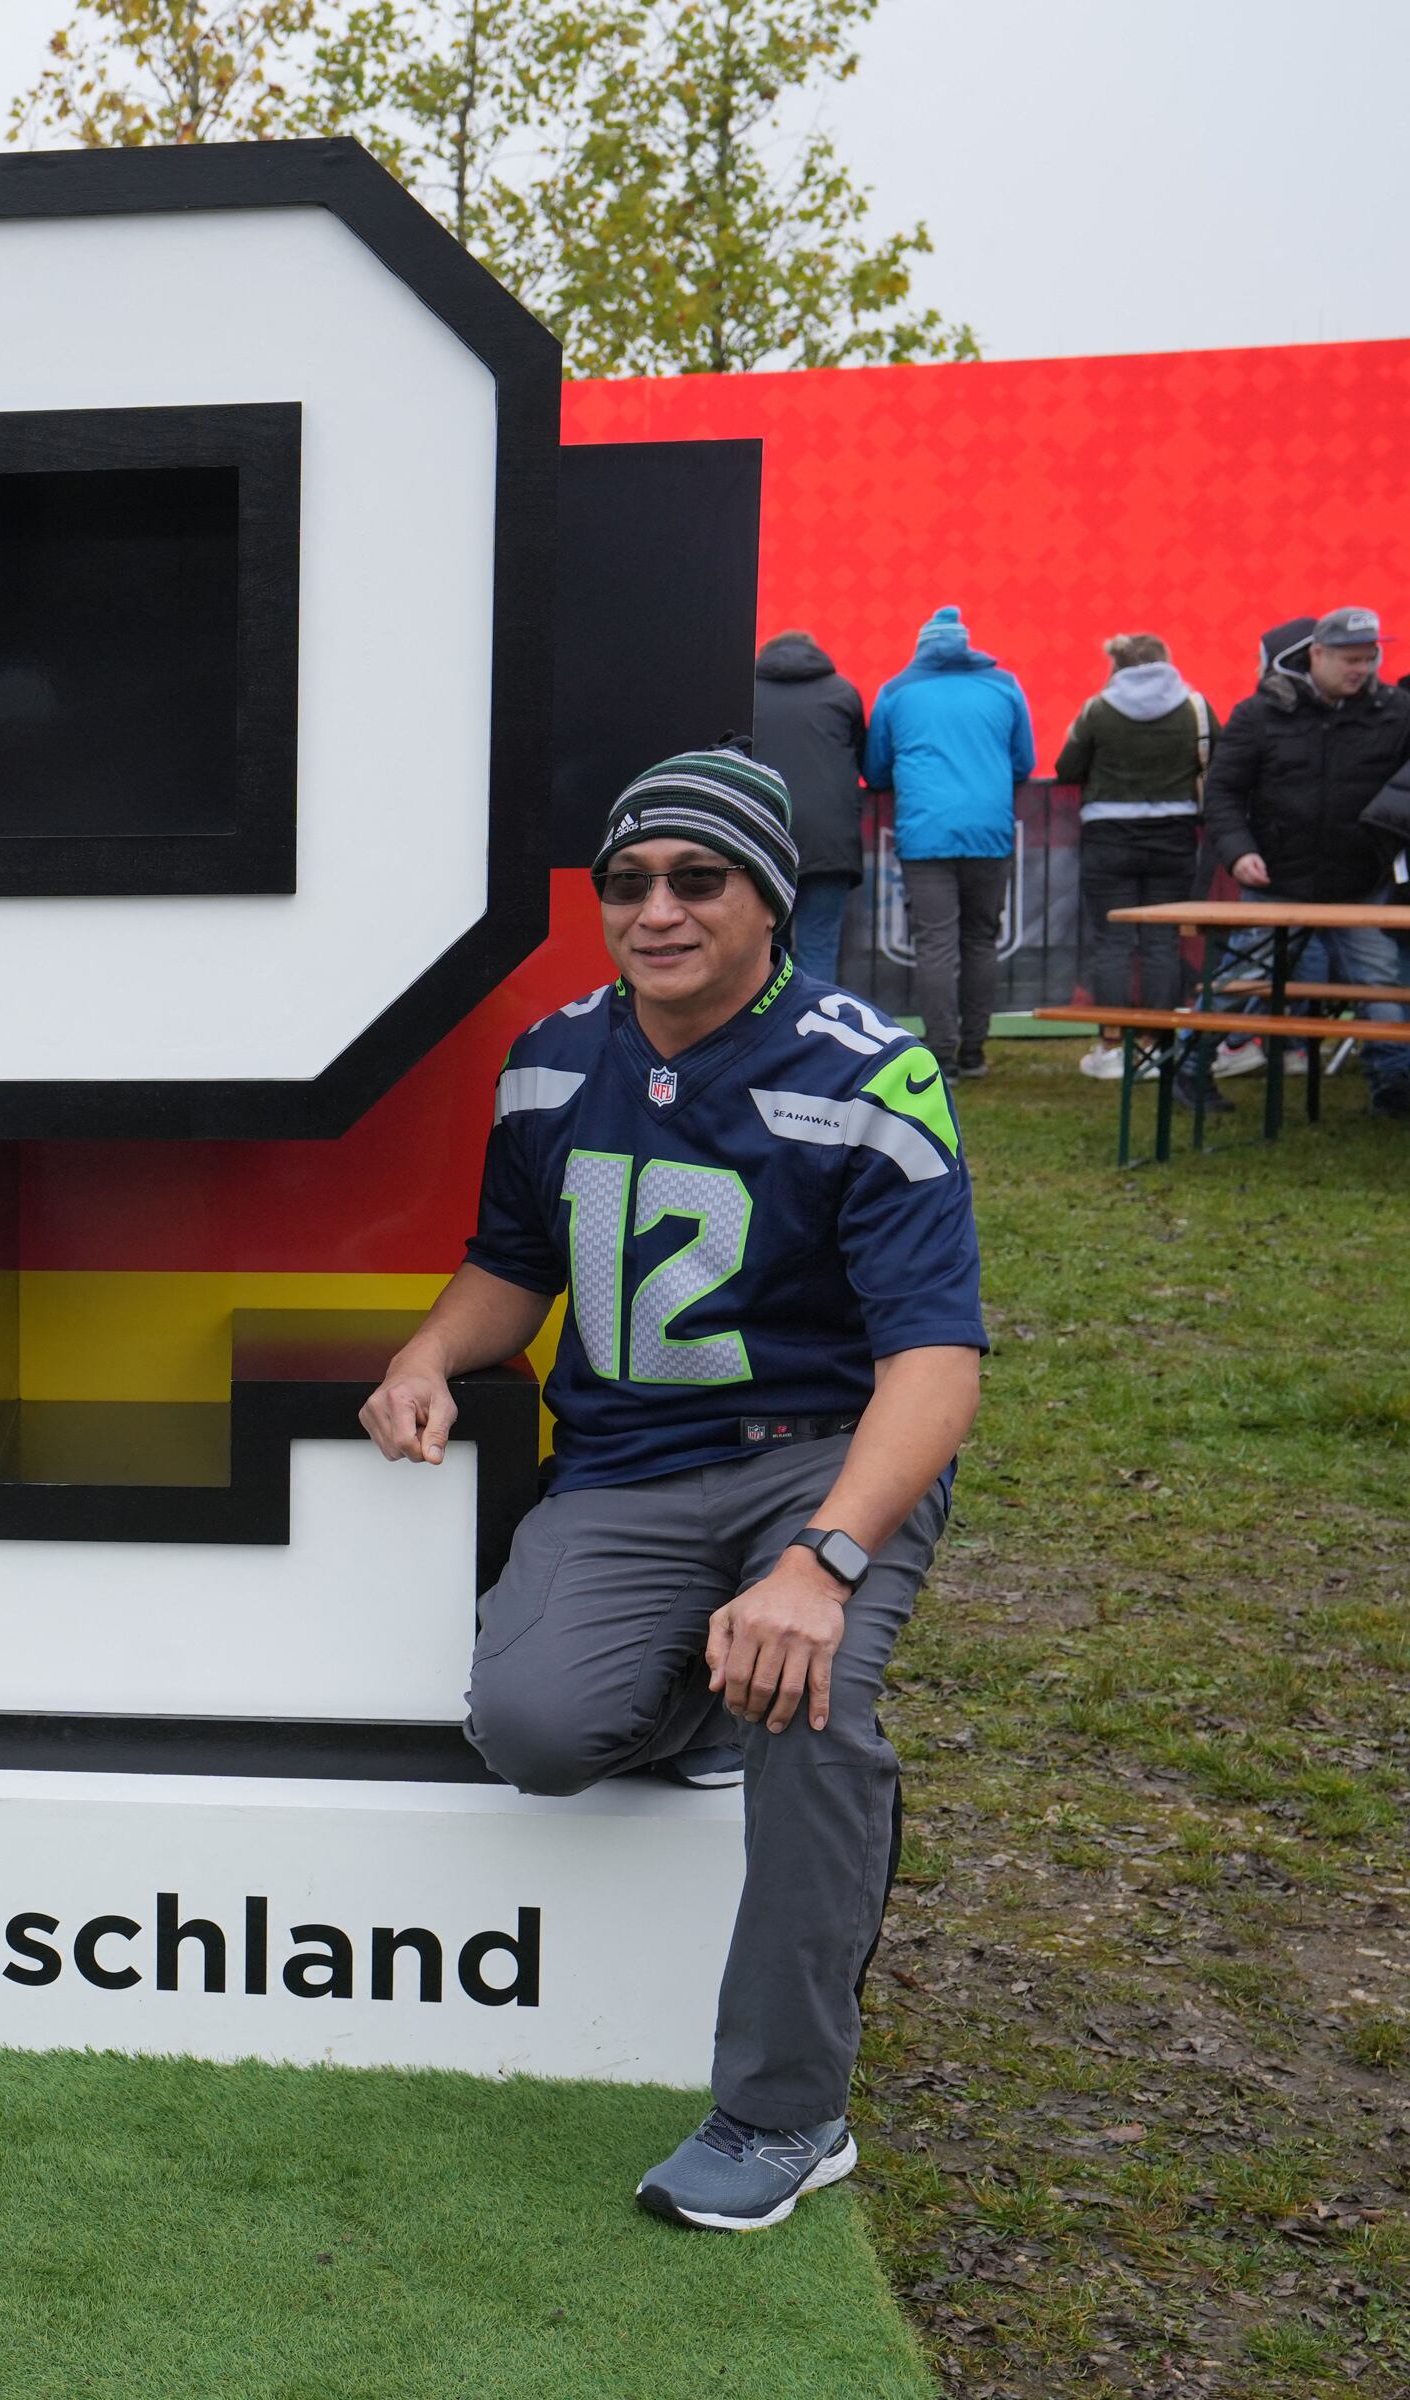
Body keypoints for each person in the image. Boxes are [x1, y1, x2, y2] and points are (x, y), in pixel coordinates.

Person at [360, 751, 984, 2234]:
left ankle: (786, 2111)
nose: (658, 911)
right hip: (629, 1461)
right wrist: (430, 1354)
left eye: (698, 880)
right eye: (628, 883)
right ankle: (707, 1691)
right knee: (533, 1731)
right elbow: (514, 1267)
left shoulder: (869, 1069)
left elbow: (936, 1364)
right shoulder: (552, 1058)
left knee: (813, 1713)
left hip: (817, 1456)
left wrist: (822, 1562)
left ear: (769, 898)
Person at [1202, 606, 1410, 1119]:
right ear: (1317, 654)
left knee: (1382, 987)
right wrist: (1239, 852)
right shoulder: (1258, 713)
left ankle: (1393, 1084)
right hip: (1277, 880)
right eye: (1350, 659)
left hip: (1361, 882)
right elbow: (1223, 792)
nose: (1362, 669)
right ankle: (1189, 1063)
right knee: (1241, 981)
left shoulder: (1396, 710)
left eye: (1368, 658)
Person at [863, 607, 1033, 1077]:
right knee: (981, 940)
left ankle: (941, 1053)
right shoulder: (1005, 686)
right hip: (990, 833)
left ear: (922, 648)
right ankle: (974, 1051)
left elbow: (876, 770)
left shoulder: (896, 691)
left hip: (925, 835)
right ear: (966, 645)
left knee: (935, 944)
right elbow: (1023, 762)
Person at [1053, 635, 1214, 1078]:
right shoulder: (1195, 708)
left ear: (1117, 667)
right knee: (1163, 941)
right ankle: (1156, 1046)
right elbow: (1216, 762)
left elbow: (1067, 768)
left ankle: (1113, 1046)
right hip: (1176, 835)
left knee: (1113, 942)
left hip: (1109, 837)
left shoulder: (1097, 710)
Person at [750, 631, 868, 981]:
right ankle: (817, 1016)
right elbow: (865, 761)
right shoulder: (842, 692)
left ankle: (770, 1016)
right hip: (829, 842)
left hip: (764, 837)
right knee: (820, 946)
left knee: (767, 946)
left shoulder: (748, 693)